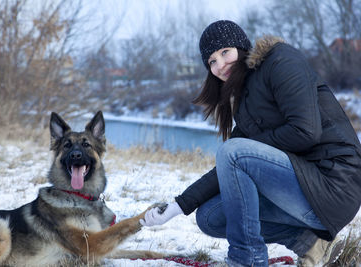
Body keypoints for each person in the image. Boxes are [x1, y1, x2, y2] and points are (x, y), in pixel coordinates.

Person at [140, 20, 361, 267]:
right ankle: (308, 242)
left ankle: (247, 260)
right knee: (211, 217)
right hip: (303, 188)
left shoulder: (281, 61)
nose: (220, 65)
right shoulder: (245, 104)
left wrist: (251, 148)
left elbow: (305, 131)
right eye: (212, 61)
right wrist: (178, 206)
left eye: (225, 53)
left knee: (233, 152)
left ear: (241, 47)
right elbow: (227, 165)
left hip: (336, 185)